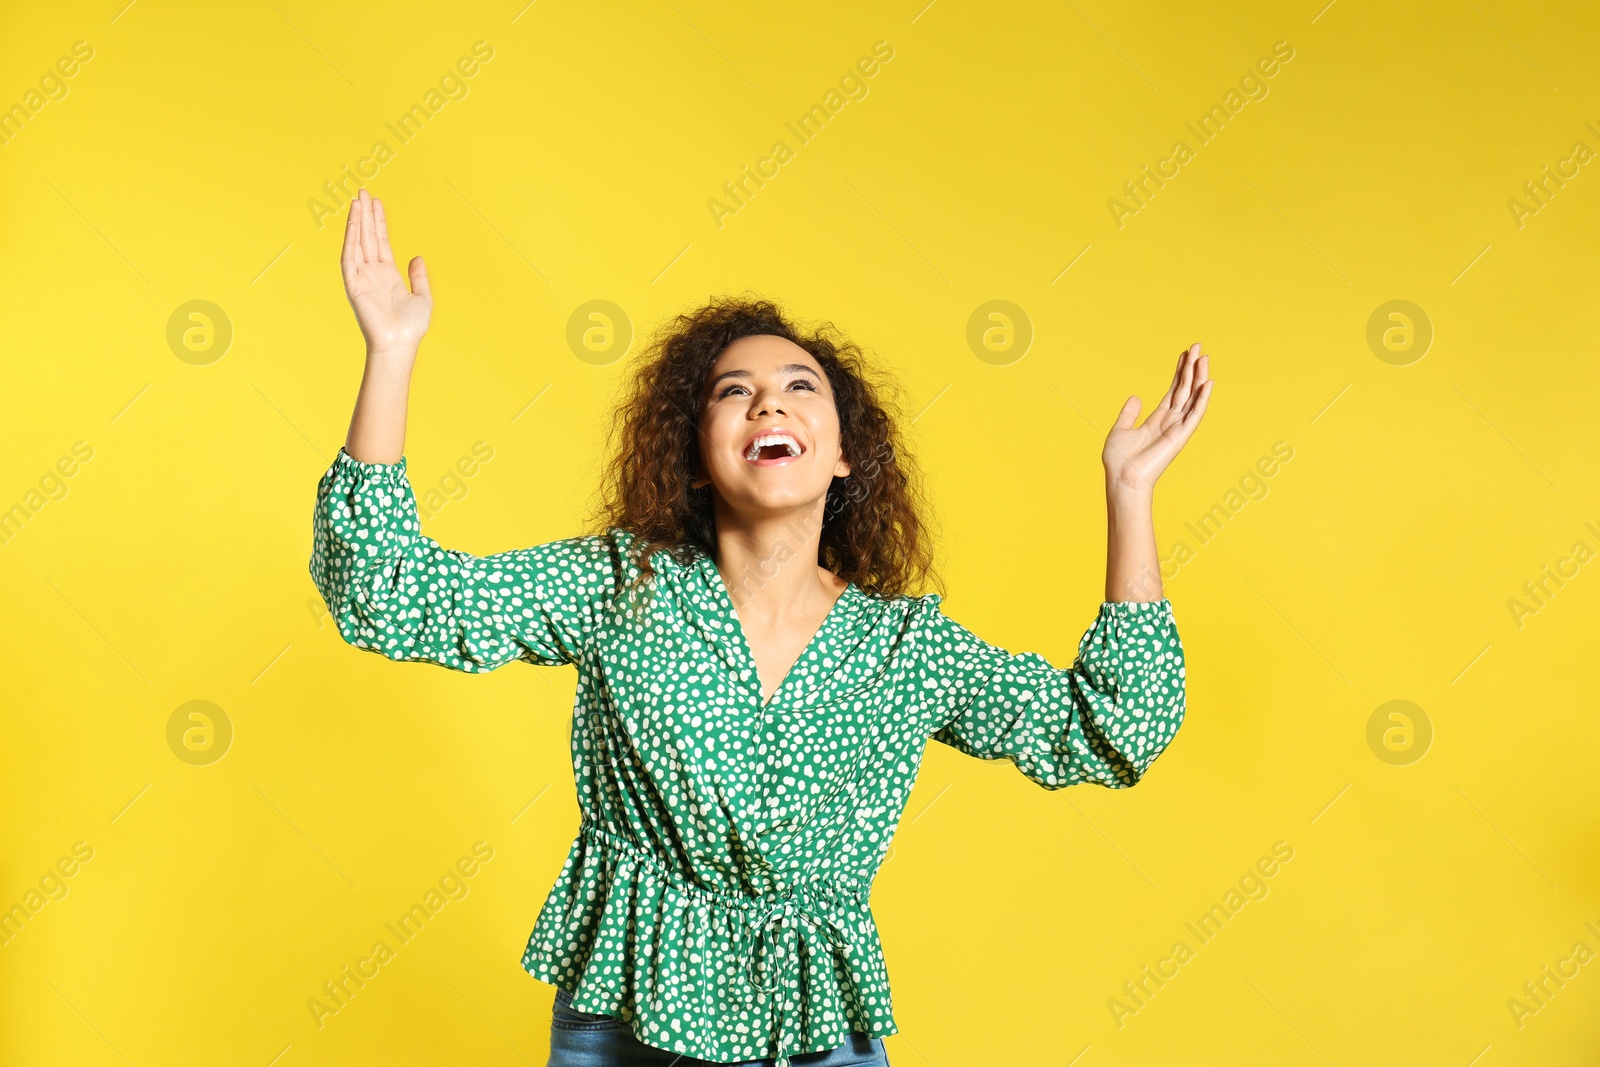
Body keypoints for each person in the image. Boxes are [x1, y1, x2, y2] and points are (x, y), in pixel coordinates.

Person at [310, 188, 1210, 1067]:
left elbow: (1113, 727)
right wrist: (391, 353)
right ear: (696, 458)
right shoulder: (619, 586)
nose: (768, 404)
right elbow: (390, 593)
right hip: (627, 1022)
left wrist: (1130, 494)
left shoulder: (906, 648)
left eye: (798, 387)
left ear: (846, 451)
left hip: (818, 1034)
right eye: (733, 392)